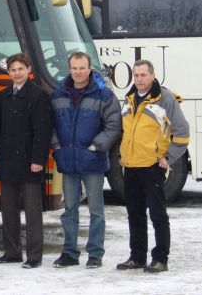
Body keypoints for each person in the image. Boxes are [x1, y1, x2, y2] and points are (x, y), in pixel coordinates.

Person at [117, 59, 189, 273]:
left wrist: (168, 158)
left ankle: (160, 259)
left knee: (157, 214)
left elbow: (182, 132)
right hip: (130, 166)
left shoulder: (165, 98)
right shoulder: (129, 98)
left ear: (152, 76)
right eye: (136, 75)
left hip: (152, 166)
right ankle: (137, 257)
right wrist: (122, 155)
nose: (139, 79)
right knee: (135, 214)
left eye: (143, 75)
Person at [51, 52, 121, 269]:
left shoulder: (104, 95)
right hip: (68, 161)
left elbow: (113, 126)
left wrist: (95, 146)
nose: (78, 72)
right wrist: (57, 146)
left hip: (93, 161)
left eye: (82, 68)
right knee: (69, 209)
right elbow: (50, 124)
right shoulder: (58, 94)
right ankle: (69, 253)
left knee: (96, 211)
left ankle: (95, 254)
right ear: (69, 69)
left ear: (90, 68)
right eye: (74, 68)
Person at [0, 53, 52, 269]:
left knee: (32, 212)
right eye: (13, 69)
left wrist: (38, 159)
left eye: (20, 69)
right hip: (8, 161)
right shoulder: (4, 95)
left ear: (29, 70)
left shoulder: (38, 95)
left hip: (30, 161)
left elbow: (42, 131)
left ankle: (34, 256)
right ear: (8, 72)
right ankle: (12, 252)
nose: (17, 73)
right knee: (8, 211)